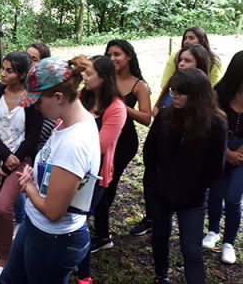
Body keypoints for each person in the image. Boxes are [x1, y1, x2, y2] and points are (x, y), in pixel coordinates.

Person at [0, 56, 101, 284]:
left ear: (58, 97)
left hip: (54, 240)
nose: (35, 107)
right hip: (36, 225)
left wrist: (28, 187)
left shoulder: (74, 142)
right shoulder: (65, 123)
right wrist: (35, 177)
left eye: (38, 101)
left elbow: (54, 212)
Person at [144, 68, 226, 284]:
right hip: (160, 192)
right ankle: (161, 275)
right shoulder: (165, 116)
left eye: (180, 92)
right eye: (173, 91)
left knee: (191, 249)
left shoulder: (215, 124)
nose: (174, 96)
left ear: (197, 95)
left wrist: (197, 187)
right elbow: (150, 151)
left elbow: (215, 168)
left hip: (192, 197)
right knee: (159, 236)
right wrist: (156, 180)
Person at [0, 52, 44, 283]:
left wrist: (13, 160)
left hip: (21, 160)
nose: (3, 73)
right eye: (3, 68)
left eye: (9, 70)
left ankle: (5, 261)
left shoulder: (31, 98)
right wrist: (4, 156)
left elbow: (33, 136)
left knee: (2, 207)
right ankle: (4, 248)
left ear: (22, 74)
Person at [76, 56, 127, 284]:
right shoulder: (81, 97)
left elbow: (99, 146)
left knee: (78, 221)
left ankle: (84, 274)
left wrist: (71, 143)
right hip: (73, 167)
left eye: (89, 73)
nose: (84, 77)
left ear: (104, 77)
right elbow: (60, 124)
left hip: (94, 176)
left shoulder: (116, 108)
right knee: (73, 219)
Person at [104, 39, 153, 236]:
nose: (112, 58)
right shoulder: (104, 78)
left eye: (117, 54)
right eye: (109, 55)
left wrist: (121, 107)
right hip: (103, 136)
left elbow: (146, 118)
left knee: (110, 180)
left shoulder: (139, 85)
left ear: (129, 56)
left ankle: (102, 230)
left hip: (125, 141)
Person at [203, 50, 243, 264]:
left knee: (233, 197)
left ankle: (229, 243)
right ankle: (213, 230)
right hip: (220, 145)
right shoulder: (220, 92)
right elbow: (211, 124)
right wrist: (226, 152)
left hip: (242, 153)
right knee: (215, 192)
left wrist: (238, 154)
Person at [153, 44, 211, 115]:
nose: (181, 64)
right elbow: (157, 106)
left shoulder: (204, 91)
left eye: (187, 61)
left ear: (200, 64)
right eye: (180, 60)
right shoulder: (171, 82)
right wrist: (160, 118)